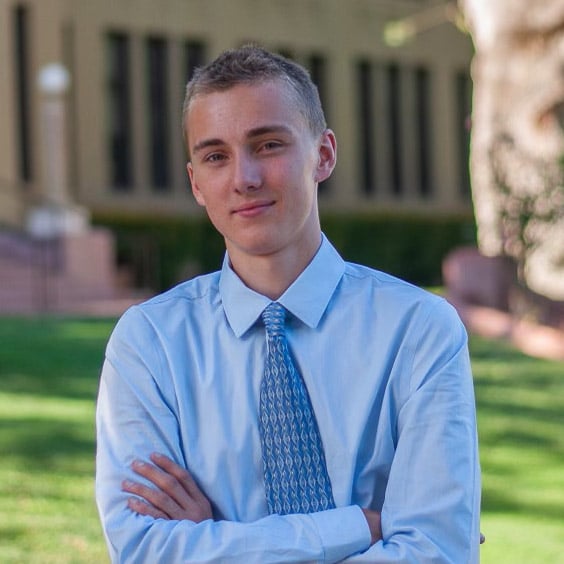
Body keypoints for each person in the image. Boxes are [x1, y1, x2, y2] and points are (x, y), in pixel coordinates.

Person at [96, 45, 481, 563]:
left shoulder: (419, 331)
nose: (244, 178)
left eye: (269, 144)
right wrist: (353, 528)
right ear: (196, 183)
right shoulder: (149, 344)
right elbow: (144, 548)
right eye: (216, 156)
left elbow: (437, 550)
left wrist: (218, 542)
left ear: (323, 155)